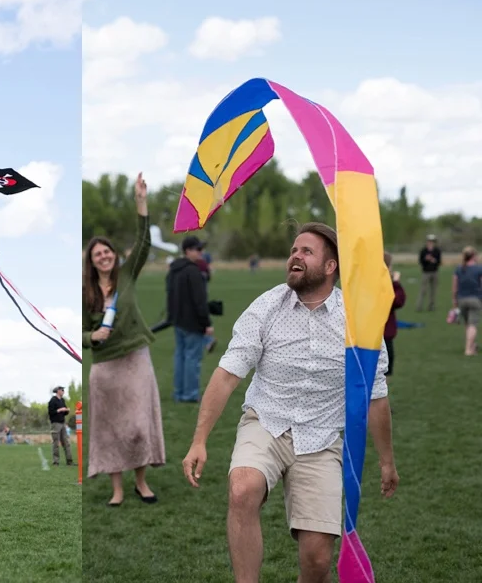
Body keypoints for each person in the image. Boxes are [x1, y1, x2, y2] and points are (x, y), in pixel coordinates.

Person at [182, 222, 399, 582]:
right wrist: (199, 440)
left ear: (331, 267)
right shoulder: (266, 307)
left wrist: (387, 461)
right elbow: (226, 375)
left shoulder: (359, 322)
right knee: (242, 487)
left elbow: (375, 397)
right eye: (293, 251)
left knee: (316, 562)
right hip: (266, 421)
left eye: (306, 252)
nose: (295, 256)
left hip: (323, 437)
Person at [82, 172, 165, 507]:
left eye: (107, 252)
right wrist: (93, 335)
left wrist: (140, 201)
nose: (104, 256)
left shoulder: (127, 275)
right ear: (91, 260)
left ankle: (141, 482)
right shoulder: (84, 292)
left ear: (114, 255)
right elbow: (77, 332)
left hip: (135, 358)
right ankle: (117, 489)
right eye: (98, 254)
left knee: (138, 425)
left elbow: (144, 242)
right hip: (105, 366)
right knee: (109, 428)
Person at [166, 236, 215, 402]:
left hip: (178, 320)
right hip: (192, 322)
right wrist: (206, 323)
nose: (201, 253)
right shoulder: (193, 271)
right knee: (192, 358)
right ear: (188, 251)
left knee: (180, 356)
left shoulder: (174, 269)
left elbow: (169, 295)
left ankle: (179, 392)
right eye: (198, 249)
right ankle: (190, 394)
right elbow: (199, 301)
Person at [451, 246, 482, 356]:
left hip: (461, 299)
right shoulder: (479, 269)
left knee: (467, 324)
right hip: (475, 299)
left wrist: (454, 300)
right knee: (473, 325)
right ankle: (468, 349)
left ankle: (472, 346)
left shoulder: (459, 269)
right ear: (473, 256)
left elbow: (454, 286)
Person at [383, 252, 407, 384]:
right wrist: (396, 283)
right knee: (383, 374)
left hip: (369, 335)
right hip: (383, 335)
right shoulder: (383, 284)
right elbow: (397, 301)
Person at [48, 386, 73, 466]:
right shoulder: (52, 400)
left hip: (62, 423)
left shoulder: (62, 400)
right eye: (62, 390)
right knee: (56, 443)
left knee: (66, 442)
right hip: (55, 424)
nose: (63, 391)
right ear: (58, 391)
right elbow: (51, 412)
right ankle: (56, 461)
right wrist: (59, 410)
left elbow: (64, 412)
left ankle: (69, 461)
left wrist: (66, 411)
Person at [417, 234, 441, 311]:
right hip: (426, 272)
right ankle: (419, 306)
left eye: (432, 241)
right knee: (423, 290)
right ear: (427, 242)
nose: (431, 243)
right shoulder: (423, 251)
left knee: (433, 290)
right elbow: (420, 261)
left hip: (434, 272)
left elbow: (439, 261)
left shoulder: (437, 251)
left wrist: (434, 260)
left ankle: (431, 306)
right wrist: (426, 259)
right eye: (429, 241)